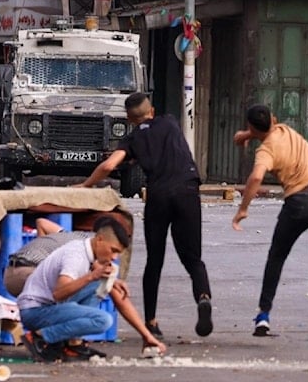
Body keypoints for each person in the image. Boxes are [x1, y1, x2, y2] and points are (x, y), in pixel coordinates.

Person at [76, 92, 213, 340]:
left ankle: (151, 321)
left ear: (129, 119)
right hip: (187, 191)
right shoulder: (169, 121)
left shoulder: (131, 139)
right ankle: (203, 297)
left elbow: (108, 166)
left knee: (155, 260)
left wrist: (85, 185)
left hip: (158, 195)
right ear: (152, 111)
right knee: (194, 259)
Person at [232, 103, 308, 336]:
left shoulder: (266, 151)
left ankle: (263, 316)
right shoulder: (285, 130)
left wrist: (243, 209)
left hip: (298, 202)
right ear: (274, 119)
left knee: (277, 257)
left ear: (252, 126)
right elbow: (263, 127)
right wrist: (248, 133)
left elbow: (256, 177)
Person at [5, 214, 167, 359]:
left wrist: (146, 336)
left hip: (47, 304)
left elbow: (120, 298)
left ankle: (72, 344)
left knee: (100, 284)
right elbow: (58, 293)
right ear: (100, 239)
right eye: (113, 250)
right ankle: (41, 337)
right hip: (35, 310)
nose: (114, 257)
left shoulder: (88, 250)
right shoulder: (76, 256)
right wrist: (91, 276)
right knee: (102, 320)